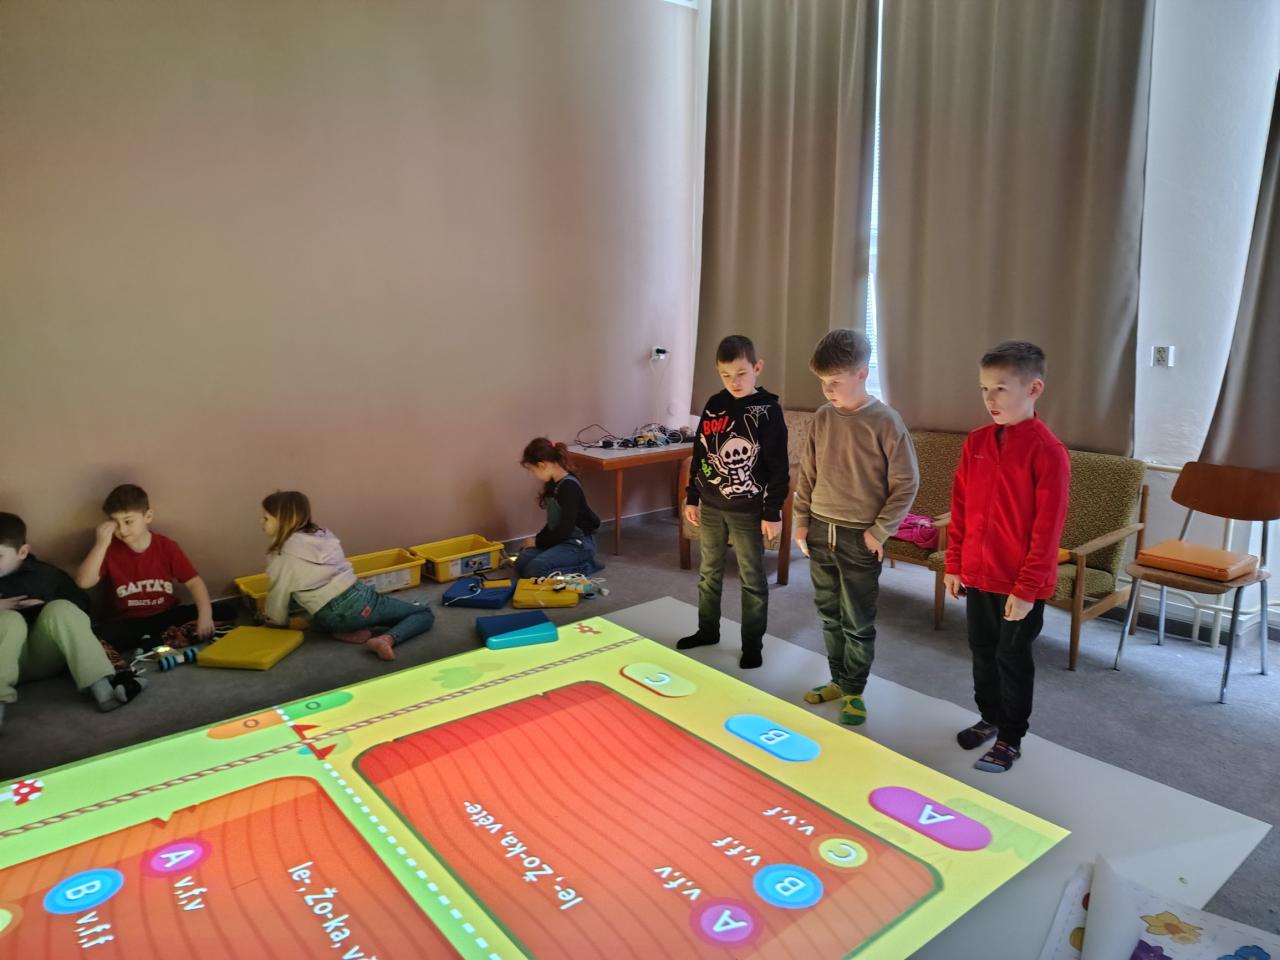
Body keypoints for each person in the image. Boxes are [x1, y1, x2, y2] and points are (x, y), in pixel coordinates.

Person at [945, 341, 1069, 772]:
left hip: (1019, 583)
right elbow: (961, 507)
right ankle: (990, 717)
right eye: (984, 388)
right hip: (977, 574)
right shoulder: (977, 442)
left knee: (1011, 659)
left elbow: (1047, 530)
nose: (989, 398)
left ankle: (1011, 737)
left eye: (1000, 388)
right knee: (981, 650)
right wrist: (954, 563)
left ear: (1033, 389)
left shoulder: (1048, 451)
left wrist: (1027, 589)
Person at [794, 329, 919, 725]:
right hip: (820, 531)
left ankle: (853, 691)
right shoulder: (822, 417)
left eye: (835, 381)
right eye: (822, 382)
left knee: (858, 621)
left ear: (862, 374)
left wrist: (878, 531)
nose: (827, 390)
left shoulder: (886, 421)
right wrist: (801, 522)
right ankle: (838, 679)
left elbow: (907, 483)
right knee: (829, 614)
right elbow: (807, 474)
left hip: (859, 538)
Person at [679, 334, 789, 669]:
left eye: (741, 373)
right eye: (726, 375)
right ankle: (707, 631)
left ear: (757, 368)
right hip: (712, 506)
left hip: (748, 511)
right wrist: (692, 497)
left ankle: (752, 645)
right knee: (708, 573)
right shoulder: (714, 404)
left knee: (752, 580)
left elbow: (779, 467)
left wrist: (772, 511)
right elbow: (701, 453)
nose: (734, 382)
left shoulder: (767, 410)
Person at [1, 511, 145, 726]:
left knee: (61, 608)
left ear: (22, 552)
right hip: (4, 658)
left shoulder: (45, 576)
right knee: (9, 620)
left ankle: (99, 683)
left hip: (43, 655)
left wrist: (45, 605)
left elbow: (81, 605)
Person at [260, 490, 434, 661]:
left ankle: (346, 628)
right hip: (358, 600)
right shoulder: (323, 535)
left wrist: (275, 622)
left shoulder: (281, 556)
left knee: (313, 601)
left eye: (266, 518)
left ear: (285, 520)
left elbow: (278, 593)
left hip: (327, 615)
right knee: (423, 613)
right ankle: (385, 639)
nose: (261, 522)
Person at [76, 484, 233, 652]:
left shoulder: (165, 546)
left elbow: (194, 582)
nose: (122, 530)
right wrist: (101, 544)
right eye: (115, 523)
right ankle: (156, 641)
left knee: (225, 611)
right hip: (128, 622)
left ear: (148, 516)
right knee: (91, 640)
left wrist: (205, 616)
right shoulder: (108, 549)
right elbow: (83, 582)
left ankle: (149, 643)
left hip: (164, 616)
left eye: (128, 521)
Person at [515, 439, 603, 579]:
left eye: (533, 470)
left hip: (579, 544)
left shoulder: (569, 487)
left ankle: (586, 566)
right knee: (521, 562)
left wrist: (537, 542)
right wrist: (536, 540)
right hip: (561, 539)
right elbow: (553, 524)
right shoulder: (553, 484)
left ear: (542, 465)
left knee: (533, 571)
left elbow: (565, 529)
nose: (534, 474)